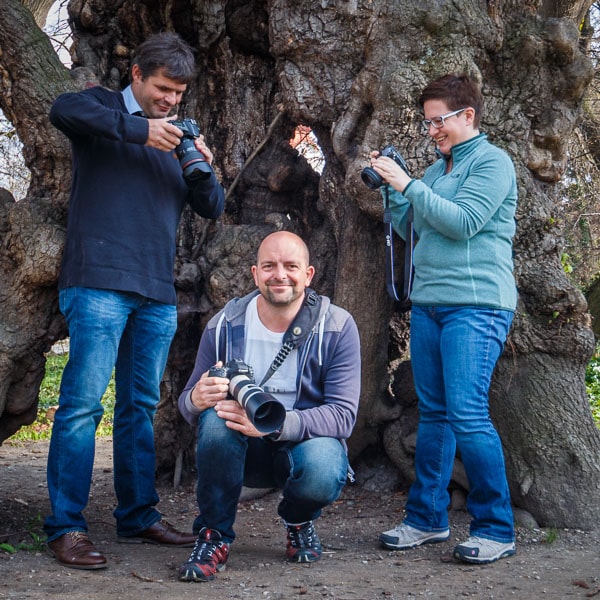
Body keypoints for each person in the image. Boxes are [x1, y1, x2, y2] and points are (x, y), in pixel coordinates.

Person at [44, 32, 225, 570]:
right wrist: (141, 131)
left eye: (179, 93)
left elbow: (212, 206)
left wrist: (202, 162)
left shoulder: (175, 139)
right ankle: (66, 526)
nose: (170, 100)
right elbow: (61, 108)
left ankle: (138, 515)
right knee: (81, 407)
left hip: (155, 292)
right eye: (163, 88)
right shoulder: (102, 109)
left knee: (140, 409)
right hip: (97, 280)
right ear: (138, 75)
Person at [370, 74, 518, 564]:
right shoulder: (436, 170)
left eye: (439, 120)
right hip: (429, 303)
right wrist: (393, 188)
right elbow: (411, 224)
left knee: (468, 414)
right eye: (427, 121)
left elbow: (461, 223)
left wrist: (408, 183)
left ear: (467, 116)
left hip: (476, 305)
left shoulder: (493, 163)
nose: (431, 130)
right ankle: (426, 519)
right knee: (433, 414)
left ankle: (496, 527)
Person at [177, 231, 361, 582]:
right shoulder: (225, 325)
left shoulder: (337, 326)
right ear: (254, 273)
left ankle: (298, 518)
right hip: (241, 449)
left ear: (308, 275)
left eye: (291, 266)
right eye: (269, 266)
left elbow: (343, 415)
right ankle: (213, 534)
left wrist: (276, 425)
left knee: (324, 465)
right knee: (216, 419)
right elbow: (187, 403)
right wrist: (195, 399)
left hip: (301, 445)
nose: (280, 275)